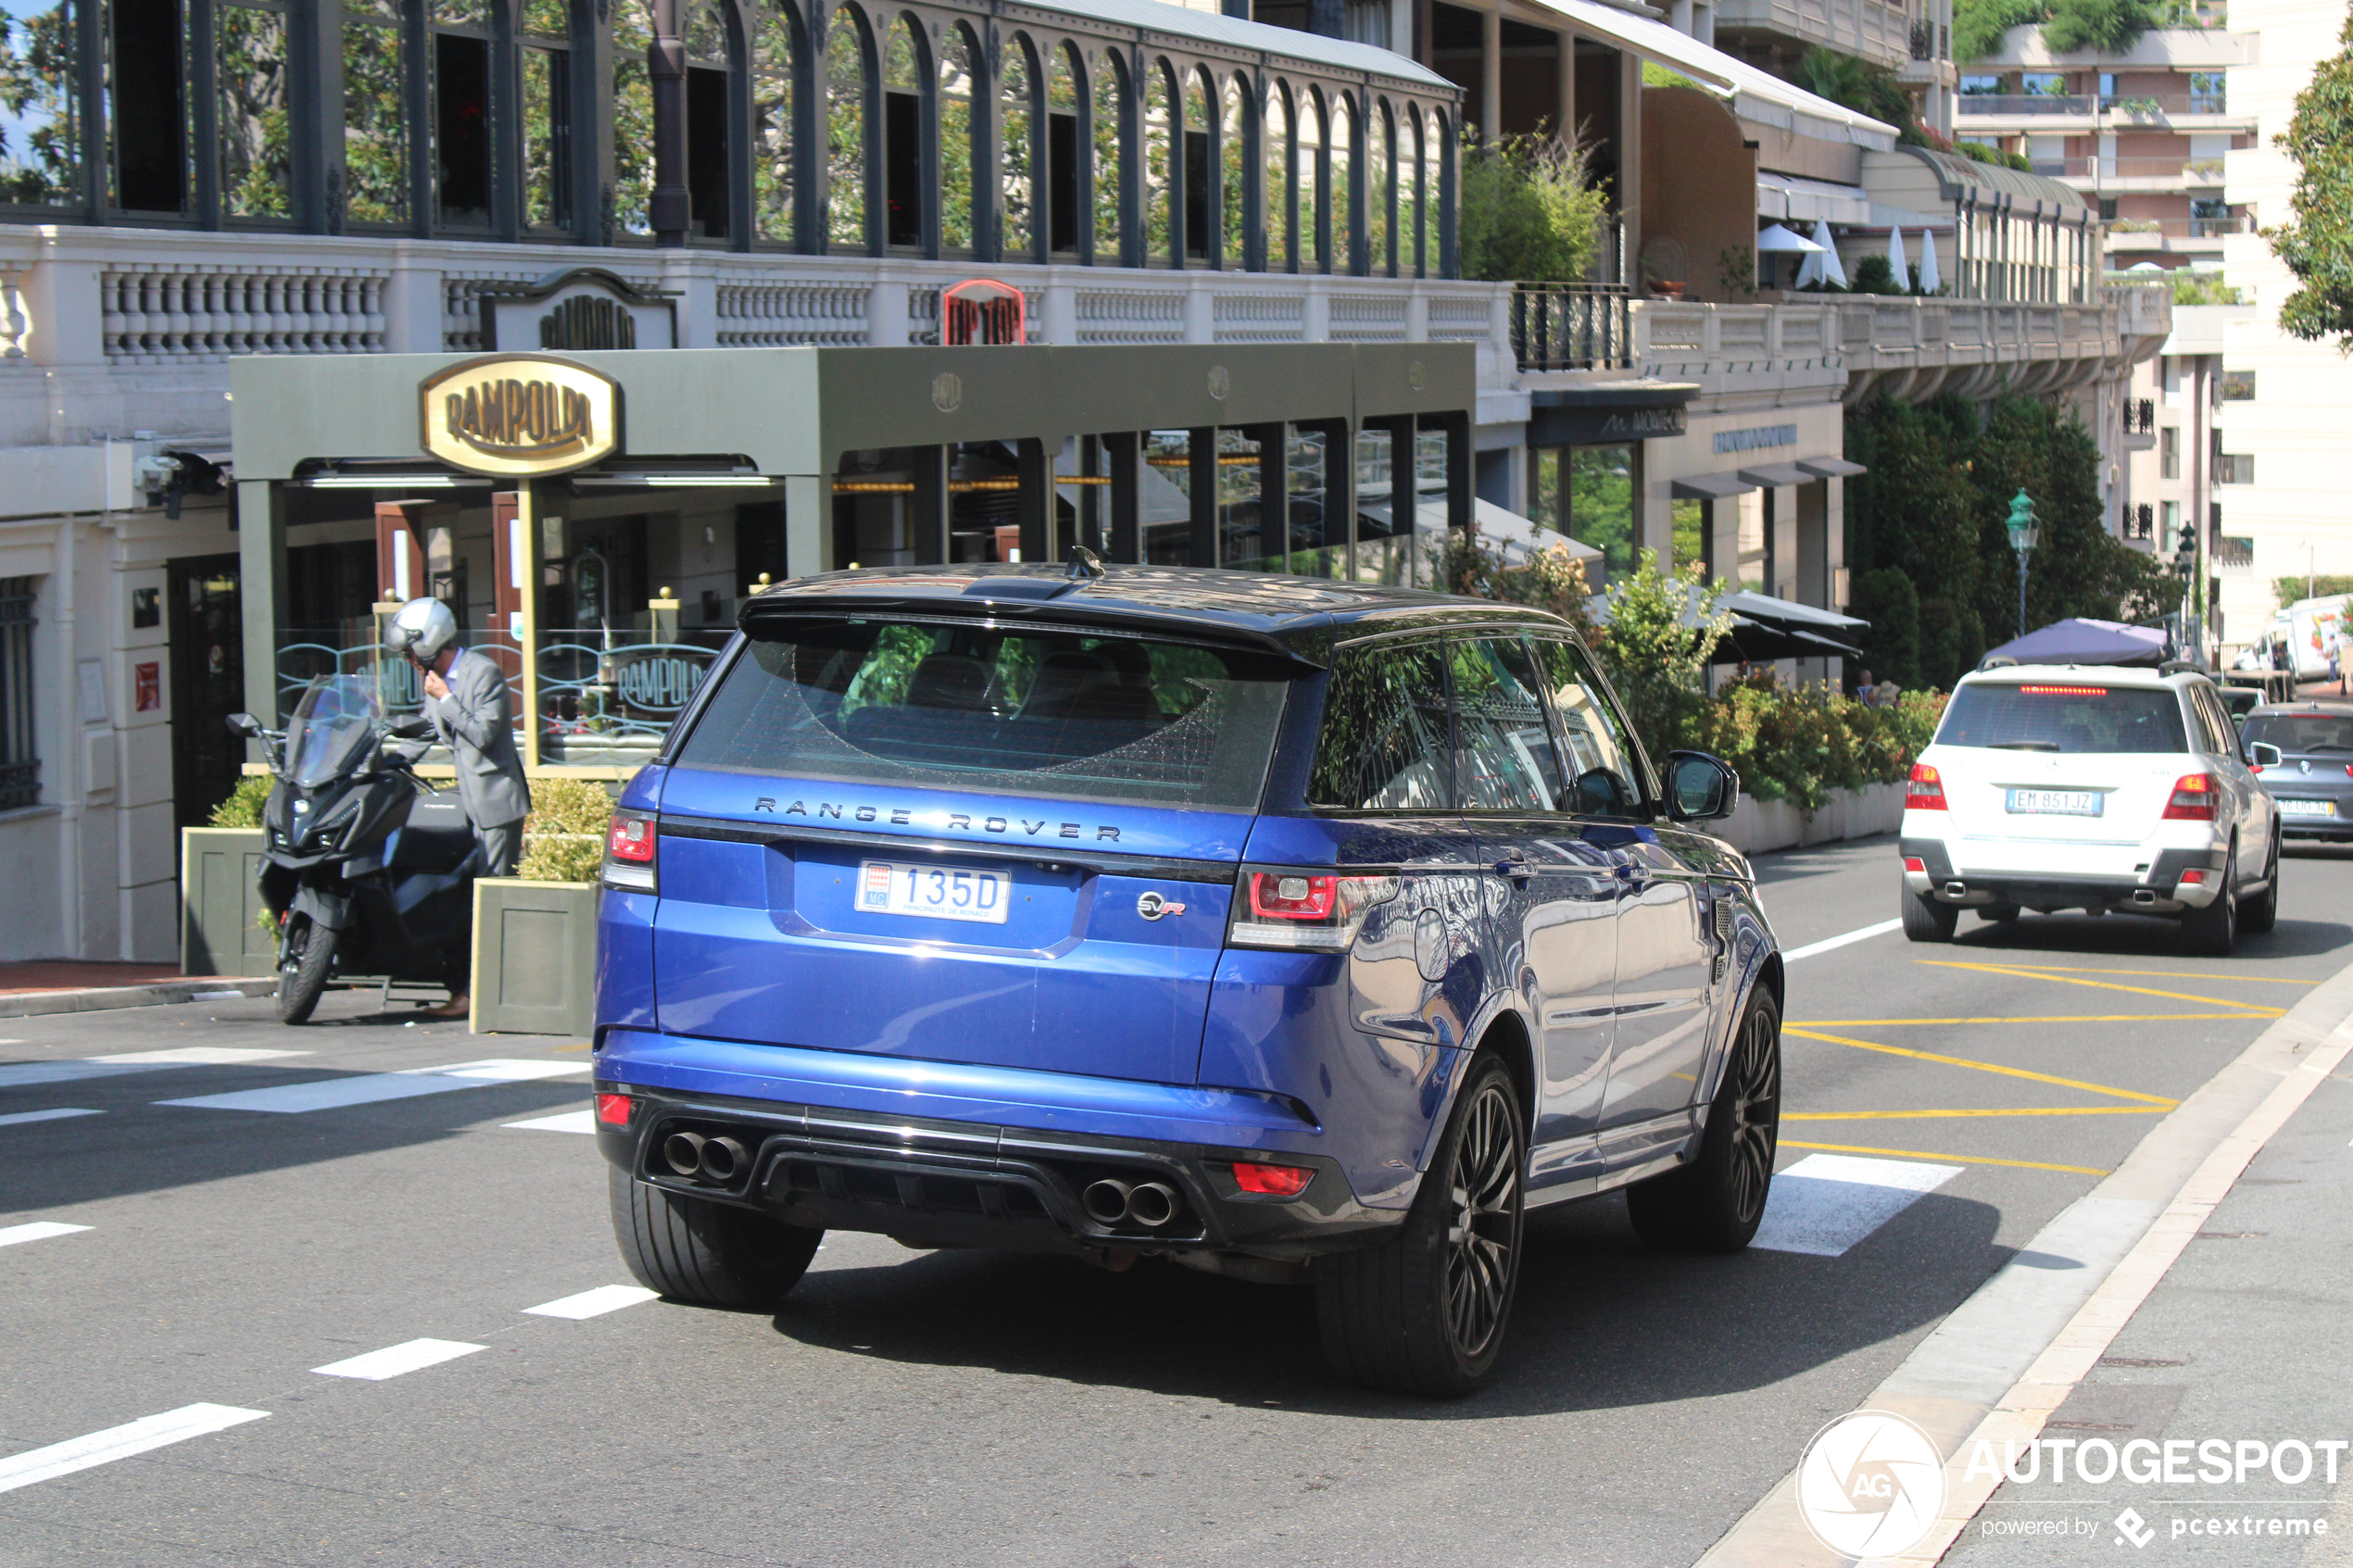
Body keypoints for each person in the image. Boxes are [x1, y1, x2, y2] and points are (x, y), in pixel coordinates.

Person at [384, 596, 529, 1017]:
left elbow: (483, 734)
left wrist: (446, 697)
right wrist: (384, 755)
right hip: (464, 804)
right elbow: (431, 730)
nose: (409, 659)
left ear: (431, 642)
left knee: (490, 897)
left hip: (495, 803)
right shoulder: (435, 679)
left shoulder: (480, 673)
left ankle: (483, 995)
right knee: (458, 898)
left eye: (411, 651)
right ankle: (463, 987)